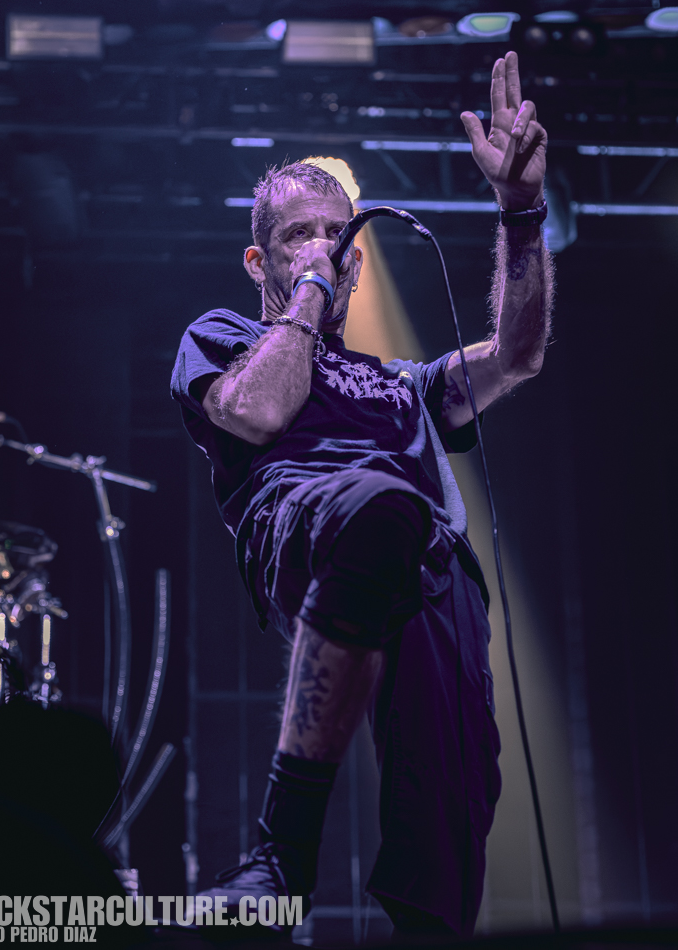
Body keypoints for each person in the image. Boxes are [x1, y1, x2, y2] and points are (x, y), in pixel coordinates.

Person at [171, 51, 553, 940]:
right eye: (299, 234)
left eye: (336, 234)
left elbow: (516, 355)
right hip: (304, 511)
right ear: (256, 256)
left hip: (426, 564)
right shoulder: (223, 334)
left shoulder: (401, 382)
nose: (325, 248)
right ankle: (283, 851)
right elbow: (258, 413)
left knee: (451, 810)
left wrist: (521, 214)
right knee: (379, 504)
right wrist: (307, 287)